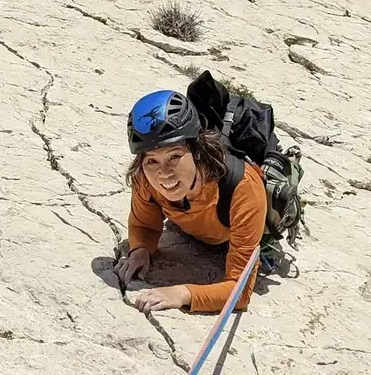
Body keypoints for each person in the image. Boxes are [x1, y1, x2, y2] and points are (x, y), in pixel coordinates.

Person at [113, 88, 268, 314]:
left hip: (232, 235)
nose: (163, 173)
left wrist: (183, 294)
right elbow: (144, 224)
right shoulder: (144, 179)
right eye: (151, 161)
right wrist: (141, 250)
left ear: (197, 151)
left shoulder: (243, 189)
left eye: (174, 156)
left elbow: (240, 292)